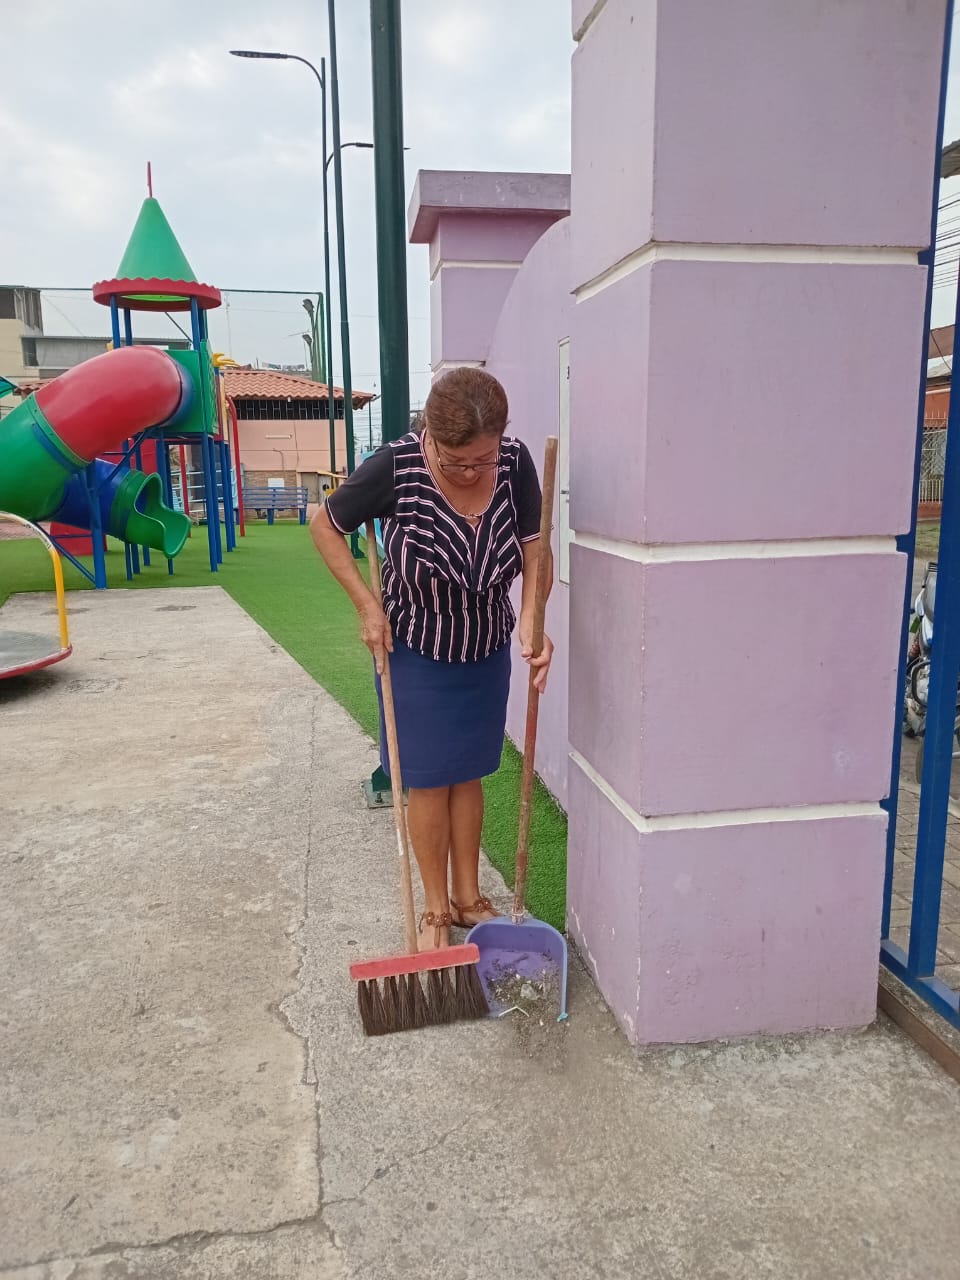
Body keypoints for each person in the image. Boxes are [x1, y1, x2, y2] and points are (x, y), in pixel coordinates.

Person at [310, 367, 553, 951]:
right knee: (427, 779)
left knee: (468, 771)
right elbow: (325, 525)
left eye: (482, 459)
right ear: (432, 438)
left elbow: (534, 549)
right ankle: (437, 907)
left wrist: (533, 618)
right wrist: (367, 606)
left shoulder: (514, 463)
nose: (471, 471)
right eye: (456, 461)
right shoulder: (398, 466)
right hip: (415, 648)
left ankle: (468, 896)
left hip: (485, 646)